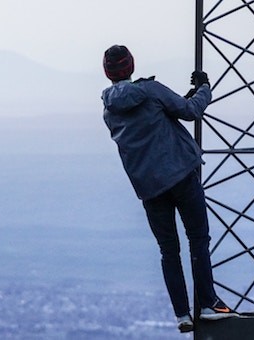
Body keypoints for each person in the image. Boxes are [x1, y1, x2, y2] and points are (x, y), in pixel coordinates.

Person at [101, 45, 238, 333]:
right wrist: (204, 88)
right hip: (181, 176)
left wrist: (178, 100)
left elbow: (150, 122)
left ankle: (182, 314)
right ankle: (208, 303)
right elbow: (190, 112)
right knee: (198, 239)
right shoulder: (150, 90)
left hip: (150, 189)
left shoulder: (109, 110)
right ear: (132, 65)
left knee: (168, 250)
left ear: (108, 73)